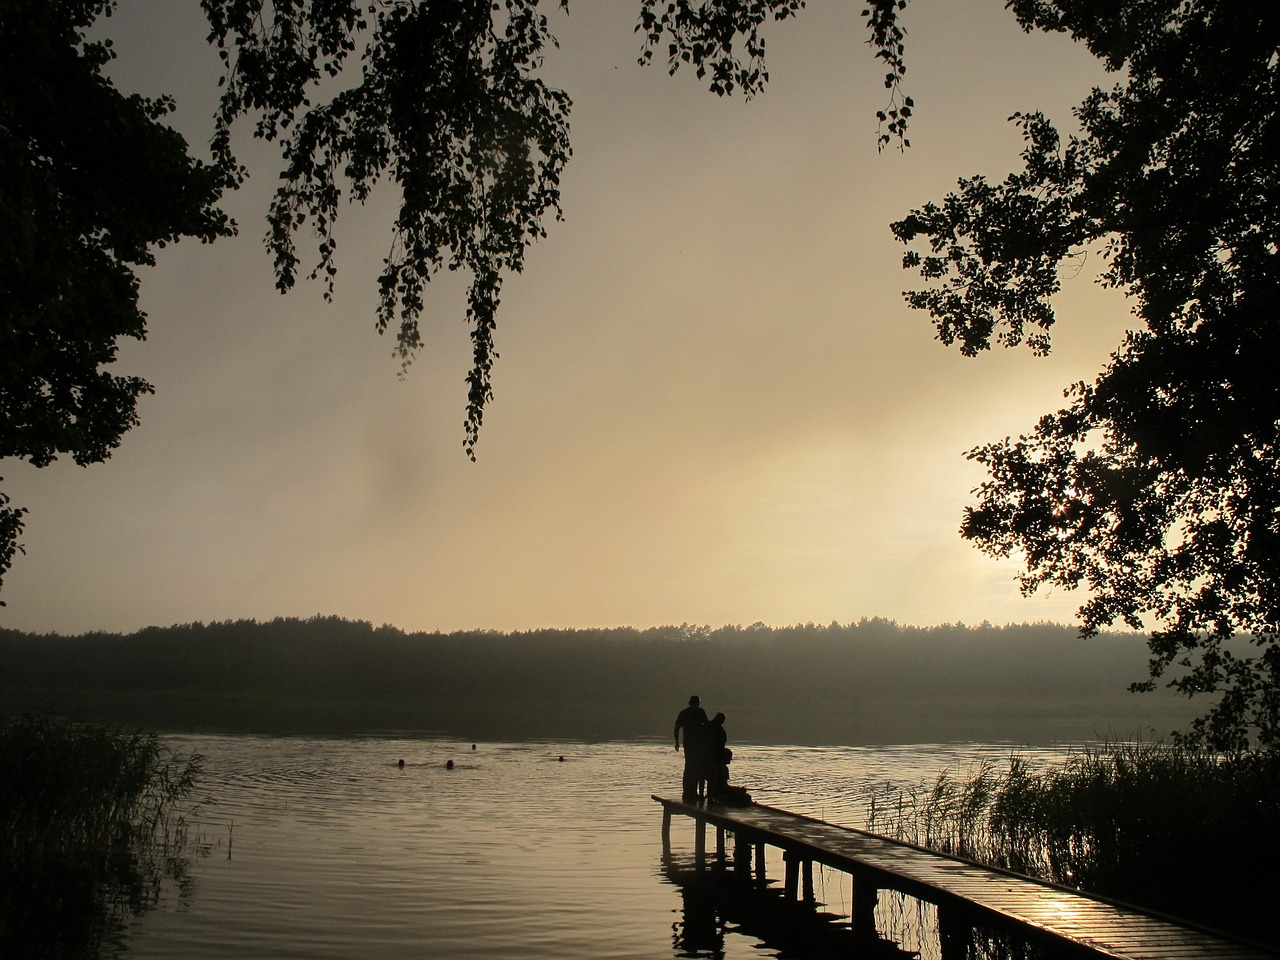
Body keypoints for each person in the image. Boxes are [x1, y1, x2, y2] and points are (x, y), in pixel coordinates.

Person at [673, 694, 708, 801]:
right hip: (698, 743)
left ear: (689, 702)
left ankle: (686, 792)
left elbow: (677, 728)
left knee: (688, 767)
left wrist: (677, 742)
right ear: (698, 703)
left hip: (687, 743)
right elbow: (707, 725)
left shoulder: (683, 712)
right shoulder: (700, 711)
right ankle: (694, 793)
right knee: (697, 767)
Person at [704, 712, 728, 802]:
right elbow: (721, 747)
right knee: (711, 778)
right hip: (713, 757)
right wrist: (720, 760)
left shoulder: (706, 726)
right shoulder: (721, 731)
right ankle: (710, 797)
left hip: (703, 754)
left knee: (701, 776)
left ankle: (700, 795)